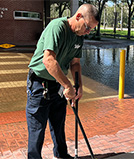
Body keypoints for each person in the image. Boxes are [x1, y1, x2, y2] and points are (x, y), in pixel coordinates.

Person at [26, 4, 99, 159]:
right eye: (87, 27)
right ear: (78, 16)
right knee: (37, 128)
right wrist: (67, 85)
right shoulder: (57, 27)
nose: (88, 31)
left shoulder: (79, 36)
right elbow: (49, 60)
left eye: (91, 29)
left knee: (58, 123)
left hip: (58, 83)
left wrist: (78, 86)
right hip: (40, 83)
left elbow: (75, 63)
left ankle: (61, 155)